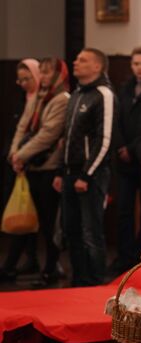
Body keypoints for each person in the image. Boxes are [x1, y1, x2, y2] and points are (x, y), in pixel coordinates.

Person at [53, 48, 117, 287]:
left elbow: (105, 140)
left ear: (97, 67)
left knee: (91, 232)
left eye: (83, 60)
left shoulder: (103, 94)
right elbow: (67, 138)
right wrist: (61, 171)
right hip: (70, 173)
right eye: (77, 59)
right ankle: (78, 281)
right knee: (71, 230)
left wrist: (87, 175)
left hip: (91, 175)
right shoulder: (77, 93)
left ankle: (96, 283)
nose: (75, 62)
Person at [7, 58, 70, 286]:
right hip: (31, 165)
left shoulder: (61, 99)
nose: (42, 77)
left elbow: (48, 135)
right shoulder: (40, 96)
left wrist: (20, 155)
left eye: (46, 72)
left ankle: (51, 269)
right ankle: (19, 265)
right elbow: (23, 126)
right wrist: (15, 154)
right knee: (33, 219)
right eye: (40, 72)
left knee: (48, 221)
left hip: (49, 167)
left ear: (57, 75)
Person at [110, 46, 141, 276]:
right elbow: (117, 120)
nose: (139, 68)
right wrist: (121, 146)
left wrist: (132, 148)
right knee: (124, 210)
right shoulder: (125, 89)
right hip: (124, 158)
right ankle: (125, 255)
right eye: (135, 64)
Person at [0, 59, 41, 281]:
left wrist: (22, 156)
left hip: (33, 165)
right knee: (22, 214)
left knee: (30, 215)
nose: (23, 83)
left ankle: (12, 264)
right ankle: (25, 259)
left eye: (27, 79)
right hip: (15, 163)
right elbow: (15, 131)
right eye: (20, 79)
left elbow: (39, 135)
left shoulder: (42, 102)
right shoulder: (20, 101)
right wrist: (12, 154)